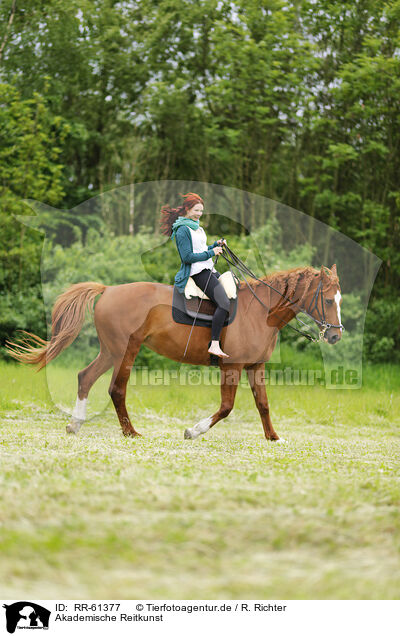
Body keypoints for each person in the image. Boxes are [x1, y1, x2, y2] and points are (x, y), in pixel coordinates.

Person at [160, 192, 230, 358]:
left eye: (201, 211)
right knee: (224, 303)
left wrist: (215, 245)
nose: (199, 214)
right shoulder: (183, 229)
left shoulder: (197, 227)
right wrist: (212, 252)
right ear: (187, 209)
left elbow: (201, 250)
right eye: (196, 210)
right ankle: (214, 344)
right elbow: (187, 257)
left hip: (207, 269)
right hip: (197, 272)